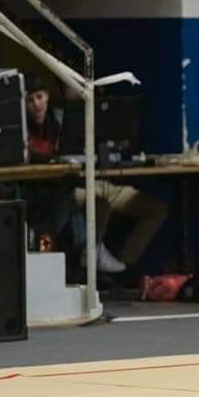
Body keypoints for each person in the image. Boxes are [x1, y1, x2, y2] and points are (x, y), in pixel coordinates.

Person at [25, 78, 167, 274]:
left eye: (39, 97)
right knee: (97, 203)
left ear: (47, 96)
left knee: (155, 207)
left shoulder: (62, 119)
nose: (36, 104)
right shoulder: (22, 127)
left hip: (95, 180)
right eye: (29, 100)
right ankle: (92, 255)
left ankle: (123, 266)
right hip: (65, 186)